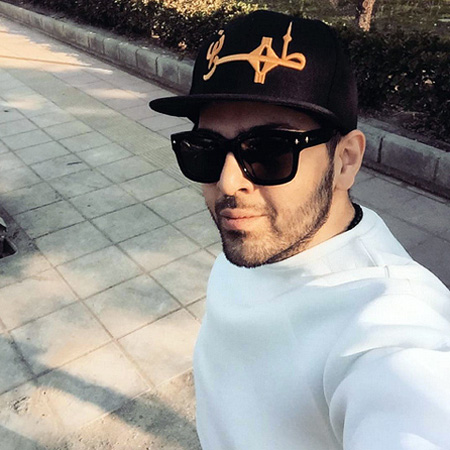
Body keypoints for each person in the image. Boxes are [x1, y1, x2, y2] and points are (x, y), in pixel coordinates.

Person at [150, 10, 450, 450]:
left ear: (345, 160)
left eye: (269, 151)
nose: (228, 183)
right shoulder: (268, 237)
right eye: (206, 149)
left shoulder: (390, 321)